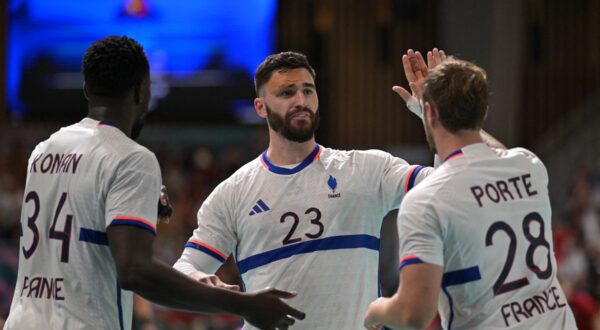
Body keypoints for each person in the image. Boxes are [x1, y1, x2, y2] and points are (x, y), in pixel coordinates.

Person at [4, 36, 304, 330]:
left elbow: (78, 215)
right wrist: (244, 305)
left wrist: (134, 201)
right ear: (141, 91)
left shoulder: (44, 150)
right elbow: (135, 271)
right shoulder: (131, 158)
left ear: (86, 88)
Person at [173, 49, 450, 329]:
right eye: (286, 93)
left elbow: (446, 185)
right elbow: (183, 270)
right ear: (260, 107)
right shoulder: (231, 194)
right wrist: (221, 293)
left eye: (308, 91)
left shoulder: (367, 169)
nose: (301, 101)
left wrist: (437, 119)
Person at [363, 57, 578, 329]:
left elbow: (413, 315)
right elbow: (496, 154)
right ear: (483, 111)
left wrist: (375, 310)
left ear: (429, 113)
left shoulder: (426, 200)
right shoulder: (529, 165)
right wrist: (439, 111)